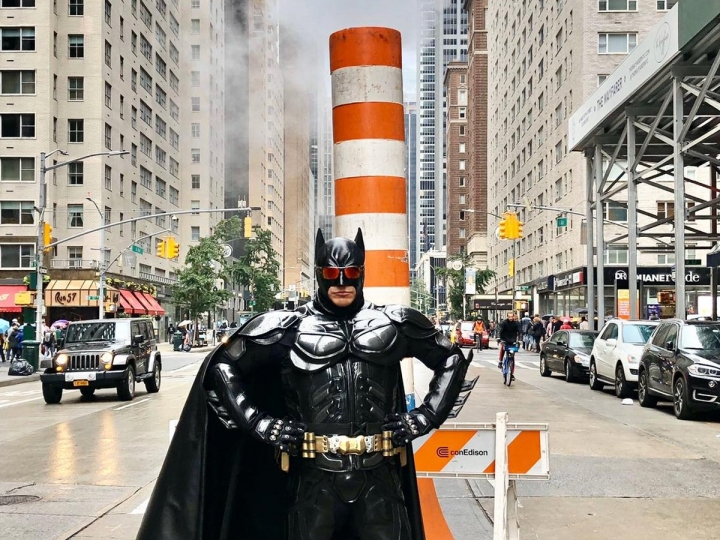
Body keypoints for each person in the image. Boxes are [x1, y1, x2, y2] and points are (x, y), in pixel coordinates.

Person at [136, 229, 474, 540]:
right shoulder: (289, 328)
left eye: (351, 272)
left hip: (379, 477)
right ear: (318, 273)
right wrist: (260, 423)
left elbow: (451, 358)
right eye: (331, 273)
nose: (342, 281)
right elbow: (223, 366)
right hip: (313, 479)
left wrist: (422, 418)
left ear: (362, 272)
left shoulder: (392, 323)